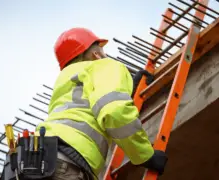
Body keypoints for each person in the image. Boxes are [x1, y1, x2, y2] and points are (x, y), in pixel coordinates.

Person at [35, 27, 167, 180]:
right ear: (96, 54)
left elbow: (85, 103)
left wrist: (128, 88)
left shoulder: (64, 81)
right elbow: (115, 112)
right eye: (103, 51)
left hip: (30, 160)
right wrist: (145, 155)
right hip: (65, 164)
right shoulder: (104, 65)